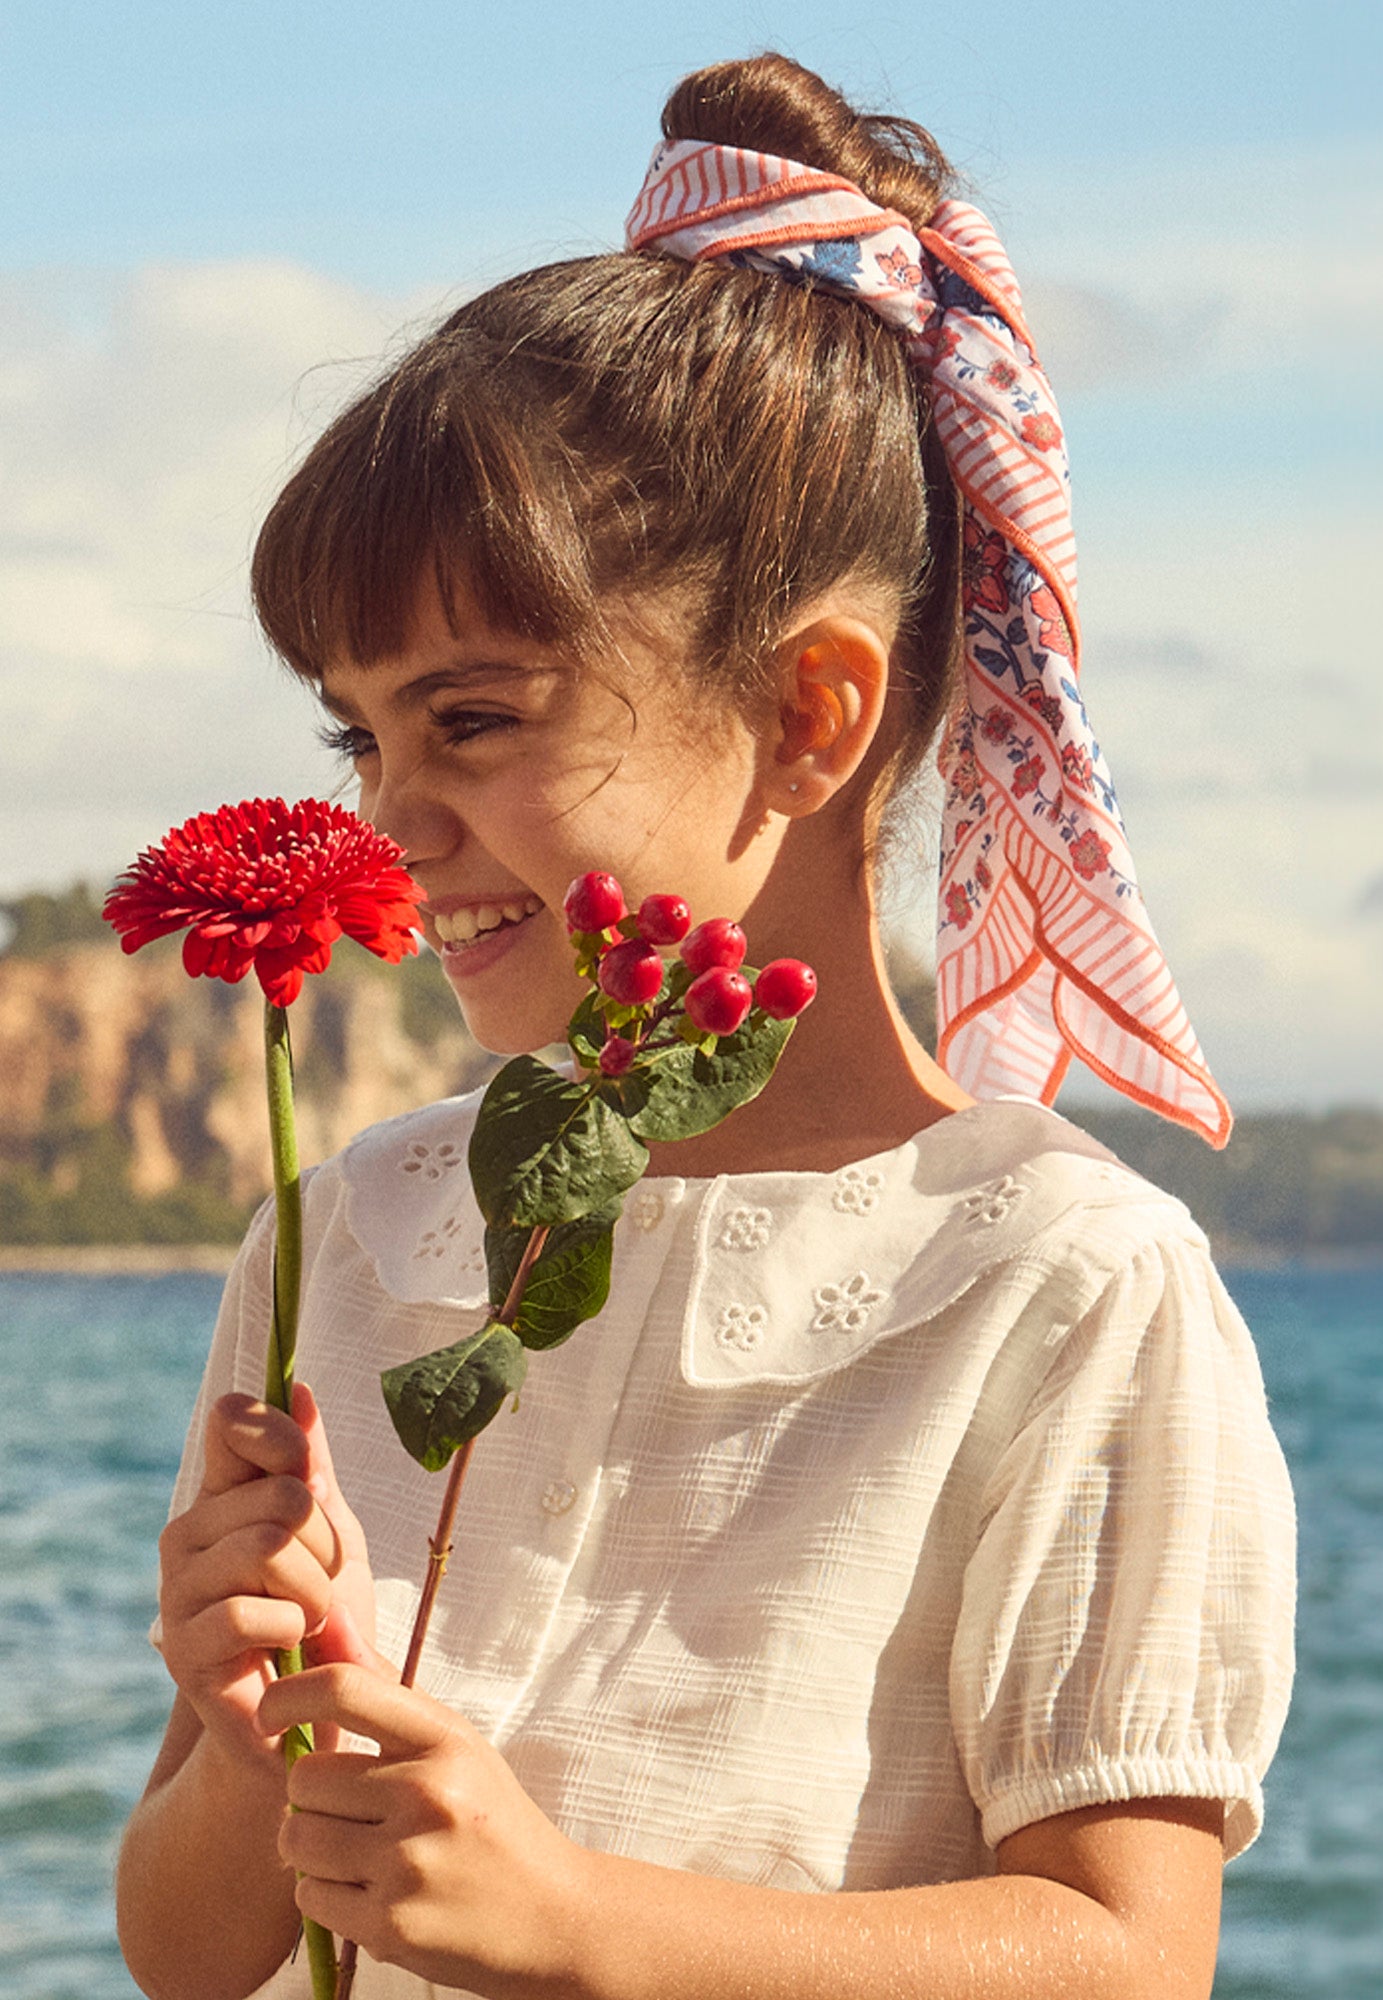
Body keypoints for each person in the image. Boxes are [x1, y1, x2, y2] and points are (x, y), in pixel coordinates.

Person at [116, 52, 1295, 2000]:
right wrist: (256, 1739)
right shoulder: (349, 1239)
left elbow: (1125, 1953)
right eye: (362, 730)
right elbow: (183, 1953)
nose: (389, 819)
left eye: (472, 719)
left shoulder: (1060, 1275)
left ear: (810, 715)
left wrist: (581, 1922)